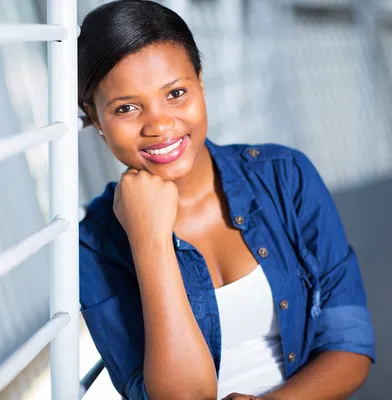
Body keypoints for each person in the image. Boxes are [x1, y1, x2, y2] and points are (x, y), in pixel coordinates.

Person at [77, 1, 375, 399]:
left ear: (200, 83)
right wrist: (149, 242)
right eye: (127, 108)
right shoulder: (90, 245)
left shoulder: (284, 175)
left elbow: (349, 344)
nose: (160, 125)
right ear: (95, 118)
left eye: (176, 93)